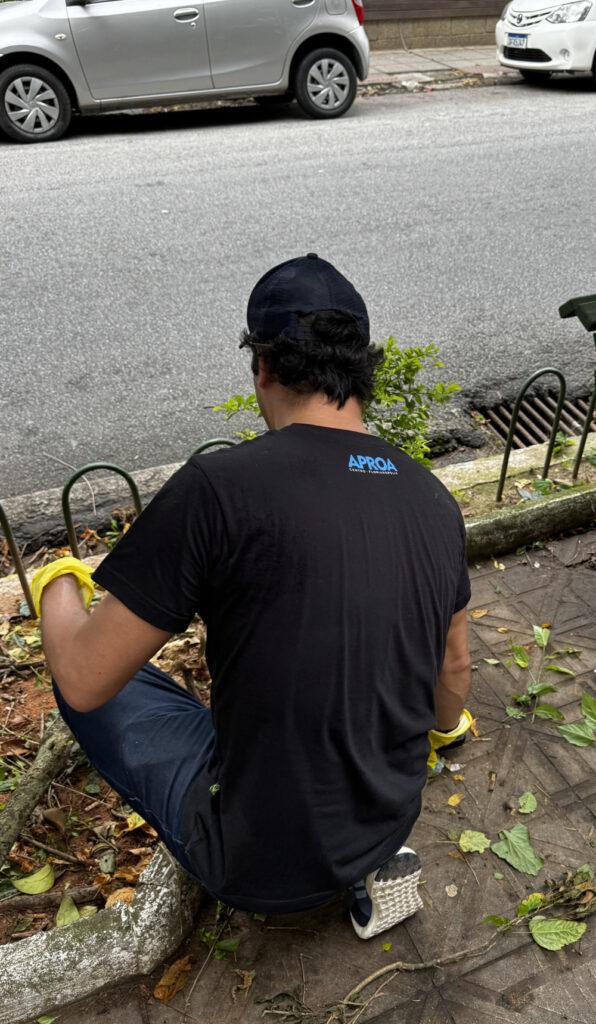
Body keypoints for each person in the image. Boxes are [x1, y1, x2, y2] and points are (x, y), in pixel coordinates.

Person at [34, 254, 472, 940]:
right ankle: (367, 860)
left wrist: (56, 582)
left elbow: (87, 681)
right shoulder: (433, 499)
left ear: (263, 367)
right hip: (389, 815)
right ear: (364, 371)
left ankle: (272, 842)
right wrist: (443, 727)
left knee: (100, 677)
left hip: (256, 864)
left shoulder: (220, 488)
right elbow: (454, 673)